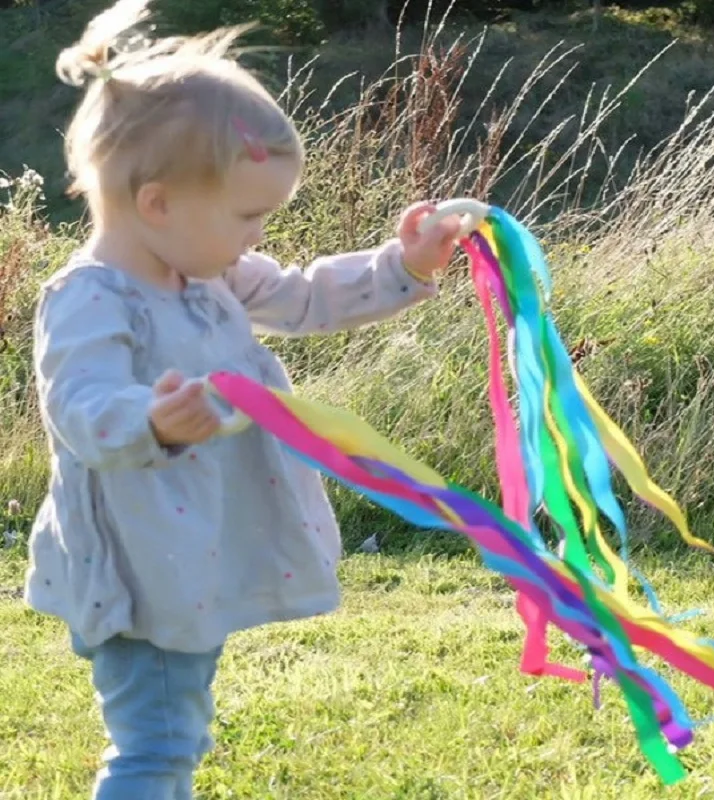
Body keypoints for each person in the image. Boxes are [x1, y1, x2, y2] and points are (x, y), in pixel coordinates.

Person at [23, 1, 461, 796]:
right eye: (249, 215)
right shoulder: (91, 298)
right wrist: (150, 419)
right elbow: (80, 405)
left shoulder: (207, 270)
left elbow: (304, 298)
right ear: (157, 203)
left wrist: (406, 265)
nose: (258, 236)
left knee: (173, 725)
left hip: (190, 554)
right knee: (156, 745)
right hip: (139, 571)